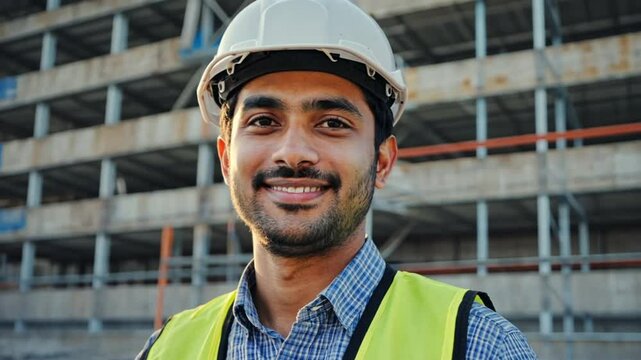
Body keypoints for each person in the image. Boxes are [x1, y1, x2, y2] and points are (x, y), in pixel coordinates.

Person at [137, 0, 537, 358]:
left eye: (332, 123)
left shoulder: (477, 346)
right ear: (226, 161)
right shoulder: (167, 348)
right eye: (263, 122)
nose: (292, 153)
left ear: (381, 161)